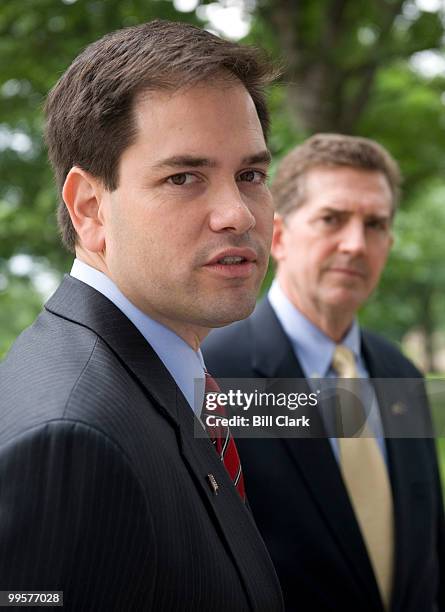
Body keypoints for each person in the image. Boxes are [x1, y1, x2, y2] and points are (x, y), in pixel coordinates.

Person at [0, 21, 284, 611]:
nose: (237, 213)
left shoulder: (157, 380)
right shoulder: (72, 438)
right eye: (184, 178)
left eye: (250, 175)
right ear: (90, 208)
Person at [203, 133, 445, 612]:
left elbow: (428, 542)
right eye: (332, 219)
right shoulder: (216, 372)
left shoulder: (402, 375)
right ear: (279, 235)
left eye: (374, 225)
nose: (356, 244)